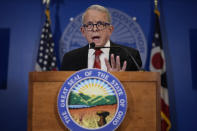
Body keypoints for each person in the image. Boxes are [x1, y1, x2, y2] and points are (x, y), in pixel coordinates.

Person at [61, 4, 142, 71]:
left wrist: (120, 80)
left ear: (110, 30)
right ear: (83, 31)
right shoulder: (70, 59)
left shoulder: (129, 56)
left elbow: (140, 87)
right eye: (89, 25)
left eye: (100, 24)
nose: (95, 29)